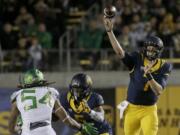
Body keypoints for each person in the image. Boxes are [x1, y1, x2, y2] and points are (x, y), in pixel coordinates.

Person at [103, 17, 172, 135]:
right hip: (132, 109)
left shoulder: (164, 66)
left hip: (148, 110)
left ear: (159, 51)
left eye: (153, 49)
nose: (150, 51)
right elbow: (120, 52)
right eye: (148, 48)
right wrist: (110, 32)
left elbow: (158, 91)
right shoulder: (137, 58)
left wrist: (149, 75)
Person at [8, 69, 98, 135]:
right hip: (48, 132)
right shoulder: (50, 92)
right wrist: (82, 128)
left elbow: (11, 128)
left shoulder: (18, 96)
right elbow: (66, 120)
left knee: (21, 121)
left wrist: (20, 129)